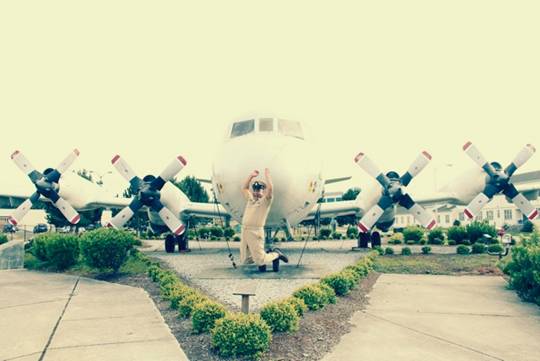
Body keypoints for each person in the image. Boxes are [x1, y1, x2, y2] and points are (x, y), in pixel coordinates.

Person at [240, 168, 288, 271]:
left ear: (263, 191)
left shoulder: (265, 202)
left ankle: (276, 254)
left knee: (260, 260)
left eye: (260, 190)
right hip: (245, 231)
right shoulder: (250, 199)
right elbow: (244, 188)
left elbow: (270, 190)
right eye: (255, 190)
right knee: (245, 260)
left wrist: (267, 177)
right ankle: (264, 255)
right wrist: (251, 176)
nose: (257, 192)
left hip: (255, 231)